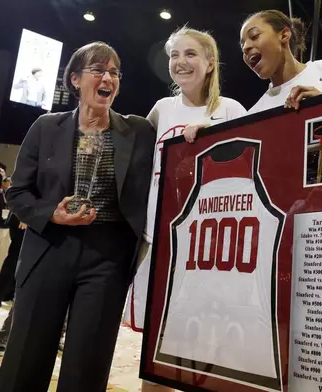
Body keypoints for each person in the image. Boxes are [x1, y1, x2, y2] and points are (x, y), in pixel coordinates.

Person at [0, 41, 155, 392]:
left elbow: (183, 139)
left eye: (115, 72)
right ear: (75, 79)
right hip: (49, 247)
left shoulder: (139, 131)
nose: (108, 77)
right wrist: (52, 213)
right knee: (27, 354)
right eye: (99, 70)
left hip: (106, 257)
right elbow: (17, 192)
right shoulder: (46, 126)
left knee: (87, 361)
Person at [122, 26, 246, 392]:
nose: (180, 62)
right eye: (174, 55)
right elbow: (137, 167)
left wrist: (214, 137)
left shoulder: (232, 110)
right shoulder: (162, 110)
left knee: (207, 351)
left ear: (210, 63)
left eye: (190, 54)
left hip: (209, 253)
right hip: (159, 245)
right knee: (157, 353)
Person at [240, 9, 322, 113]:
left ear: (284, 35)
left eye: (254, 36)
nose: (245, 47)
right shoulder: (255, 114)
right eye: (242, 46)